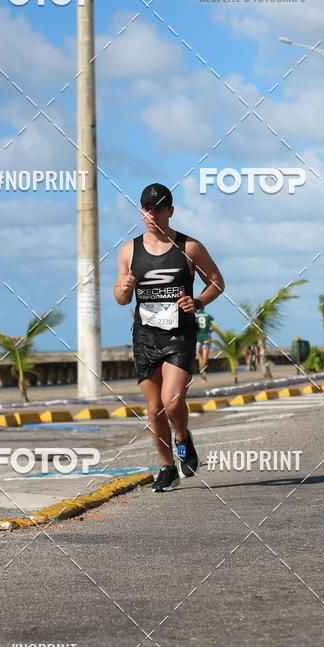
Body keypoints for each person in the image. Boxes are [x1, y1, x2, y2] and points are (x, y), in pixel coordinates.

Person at [114, 183, 225, 493]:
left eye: (159, 209)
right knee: (154, 410)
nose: (153, 214)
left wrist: (199, 301)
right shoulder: (129, 250)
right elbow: (121, 297)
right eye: (148, 209)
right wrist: (124, 289)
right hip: (146, 337)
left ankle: (182, 437)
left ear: (170, 211)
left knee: (172, 401)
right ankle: (166, 467)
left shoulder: (190, 247)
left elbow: (217, 282)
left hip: (179, 334)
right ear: (141, 211)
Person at [195, 307, 216, 381]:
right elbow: (215, 325)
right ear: (204, 308)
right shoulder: (208, 316)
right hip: (206, 337)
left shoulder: (195, 316)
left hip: (197, 338)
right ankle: (203, 372)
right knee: (205, 357)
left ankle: (202, 371)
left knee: (200, 357)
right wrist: (210, 330)